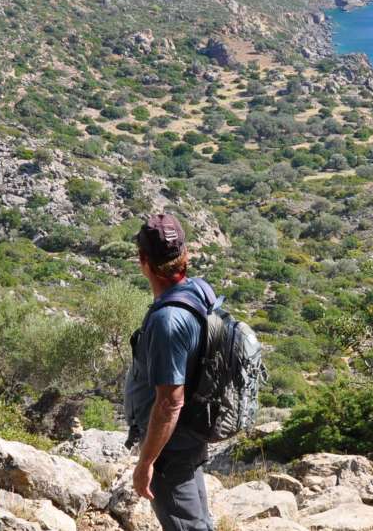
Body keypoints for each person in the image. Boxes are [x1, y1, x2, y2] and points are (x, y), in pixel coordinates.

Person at [124, 213, 221, 531]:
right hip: (190, 434)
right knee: (197, 523)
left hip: (171, 448)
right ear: (185, 256)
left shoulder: (168, 321)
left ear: (143, 260)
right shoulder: (198, 291)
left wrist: (146, 462)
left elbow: (169, 403)